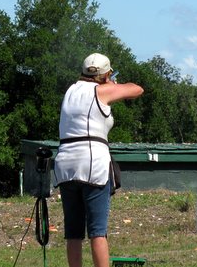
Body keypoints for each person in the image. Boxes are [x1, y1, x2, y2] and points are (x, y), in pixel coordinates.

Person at [54, 53, 144, 267]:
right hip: (93, 163)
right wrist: (114, 84)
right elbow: (137, 89)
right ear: (105, 75)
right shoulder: (102, 90)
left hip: (65, 164)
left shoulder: (70, 91)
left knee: (73, 233)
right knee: (97, 232)